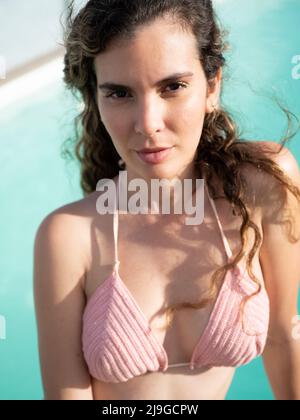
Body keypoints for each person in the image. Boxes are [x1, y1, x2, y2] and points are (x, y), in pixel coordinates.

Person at [33, 0, 300, 400]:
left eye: (172, 87)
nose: (148, 123)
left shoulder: (263, 182)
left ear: (213, 86)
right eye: (120, 93)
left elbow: (283, 336)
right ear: (96, 101)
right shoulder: (68, 237)